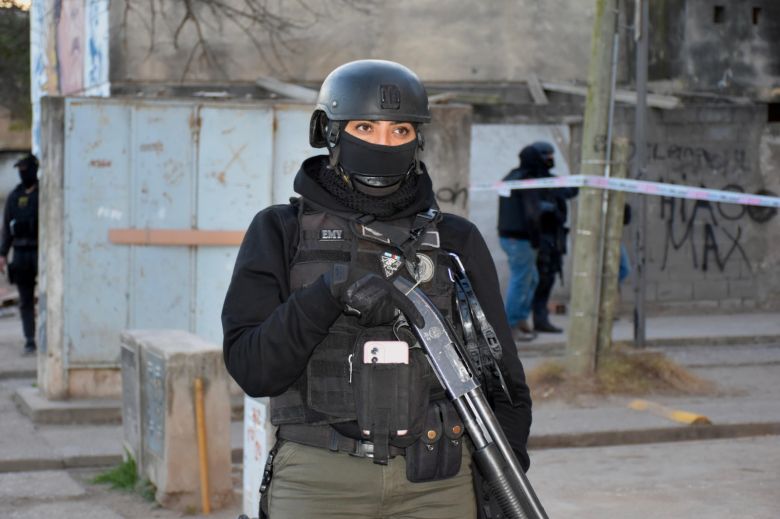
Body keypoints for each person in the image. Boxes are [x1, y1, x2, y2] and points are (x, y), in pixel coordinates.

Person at [222, 60, 532, 519]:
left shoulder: (456, 240)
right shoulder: (281, 230)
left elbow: (504, 386)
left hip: (438, 483)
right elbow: (253, 369)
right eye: (365, 126)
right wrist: (327, 295)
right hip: (318, 480)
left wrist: (498, 483)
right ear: (331, 133)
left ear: (417, 140)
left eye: (400, 130)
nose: (383, 143)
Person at [496, 145, 549, 340]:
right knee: (520, 281)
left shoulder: (512, 176)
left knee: (531, 279)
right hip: (520, 238)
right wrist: (537, 239)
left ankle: (519, 319)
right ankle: (510, 326)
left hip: (510, 236)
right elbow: (532, 213)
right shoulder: (526, 180)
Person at [529, 142, 578, 333]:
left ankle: (540, 319)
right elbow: (530, 207)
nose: (551, 159)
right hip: (541, 238)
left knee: (548, 279)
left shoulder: (551, 180)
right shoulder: (530, 180)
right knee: (540, 280)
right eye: (547, 156)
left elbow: (570, 192)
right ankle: (535, 319)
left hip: (554, 238)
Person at [0, 154, 40, 354]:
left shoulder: (44, 194)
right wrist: (2, 254)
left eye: (26, 169)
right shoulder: (14, 196)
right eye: (20, 170)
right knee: (25, 300)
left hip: (41, 252)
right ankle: (30, 339)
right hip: (22, 254)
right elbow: (6, 228)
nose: (23, 173)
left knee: (48, 298)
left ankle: (46, 336)